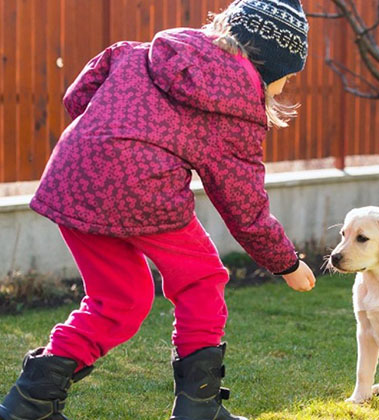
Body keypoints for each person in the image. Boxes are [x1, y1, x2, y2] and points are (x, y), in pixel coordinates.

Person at [0, 1, 314, 419]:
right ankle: (198, 406)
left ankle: (30, 401)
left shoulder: (142, 50)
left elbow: (77, 96)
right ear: (271, 64)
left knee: (121, 299)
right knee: (201, 278)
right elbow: (244, 206)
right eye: (287, 78)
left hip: (74, 177)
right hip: (144, 188)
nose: (283, 88)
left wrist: (115, 137)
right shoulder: (239, 104)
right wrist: (286, 263)